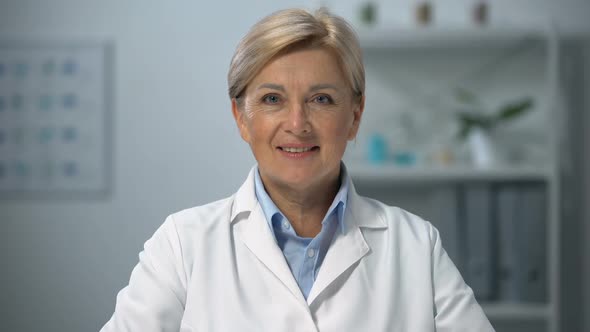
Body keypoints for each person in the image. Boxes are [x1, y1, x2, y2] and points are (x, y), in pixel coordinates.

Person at [101, 7, 494, 332]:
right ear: (241, 117)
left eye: (321, 99)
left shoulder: (415, 245)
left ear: (354, 116)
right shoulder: (182, 246)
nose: (297, 123)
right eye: (272, 98)